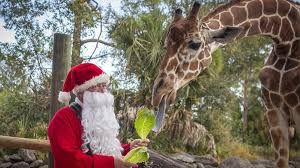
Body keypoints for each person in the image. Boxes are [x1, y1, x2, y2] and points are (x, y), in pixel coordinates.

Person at [48, 63, 149, 168]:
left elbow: (104, 148)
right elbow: (70, 161)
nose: (103, 91)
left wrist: (129, 148)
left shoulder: (99, 114)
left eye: (104, 85)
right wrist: (111, 163)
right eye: (96, 86)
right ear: (80, 92)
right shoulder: (62, 119)